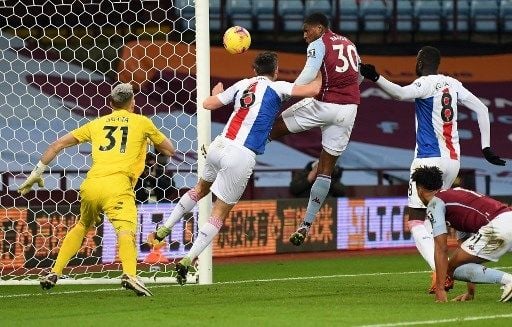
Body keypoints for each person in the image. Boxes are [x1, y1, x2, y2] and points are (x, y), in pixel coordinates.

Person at [147, 51, 321, 284]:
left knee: (199, 189)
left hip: (220, 144)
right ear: (275, 71)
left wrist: (216, 93)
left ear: (254, 70)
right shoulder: (278, 87)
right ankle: (189, 258)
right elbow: (312, 91)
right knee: (218, 212)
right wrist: (321, 69)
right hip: (241, 154)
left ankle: (165, 227)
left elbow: (208, 104)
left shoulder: (242, 84)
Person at [359, 46, 505, 292]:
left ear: (419, 63)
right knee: (439, 214)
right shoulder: (453, 84)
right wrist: (486, 148)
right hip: (453, 161)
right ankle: (456, 273)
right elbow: (482, 108)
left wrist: (376, 77)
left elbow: (399, 94)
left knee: (415, 220)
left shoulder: (424, 83)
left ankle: (441, 271)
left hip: (428, 159)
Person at [18, 83, 175, 296]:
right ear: (133, 102)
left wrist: (36, 172)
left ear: (110, 103)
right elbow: (169, 150)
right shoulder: (142, 122)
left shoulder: (96, 124)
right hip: (118, 185)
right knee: (125, 230)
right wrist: (148, 140)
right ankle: (130, 274)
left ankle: (55, 271)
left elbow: (57, 145)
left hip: (91, 184)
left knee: (82, 225)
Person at [269, 13, 362, 246]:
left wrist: (286, 93)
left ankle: (242, 147)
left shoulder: (318, 44)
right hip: (349, 109)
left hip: (325, 103)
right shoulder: (349, 43)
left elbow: (308, 75)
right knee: (325, 169)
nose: (304, 36)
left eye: (306, 30)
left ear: (319, 28)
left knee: (275, 125)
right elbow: (358, 75)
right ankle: (306, 224)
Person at [412, 166, 512, 303]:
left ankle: (509, 281)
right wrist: (470, 293)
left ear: (419, 189)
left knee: (451, 268)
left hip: (498, 225)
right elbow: (466, 250)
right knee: (458, 263)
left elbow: (441, 248)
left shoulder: (435, 204)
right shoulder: (457, 197)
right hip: (507, 218)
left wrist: (440, 289)